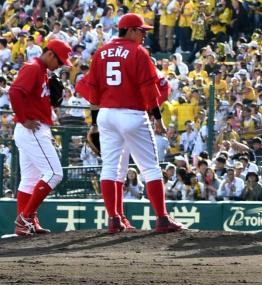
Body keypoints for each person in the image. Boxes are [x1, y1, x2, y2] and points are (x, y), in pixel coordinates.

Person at [75, 13, 183, 234]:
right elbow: (149, 91)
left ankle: (114, 219)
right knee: (150, 167)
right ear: (131, 30)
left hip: (106, 114)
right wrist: (158, 119)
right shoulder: (137, 52)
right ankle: (162, 219)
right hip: (132, 114)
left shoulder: (101, 52)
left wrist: (95, 123)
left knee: (110, 168)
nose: (143, 35)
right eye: (141, 31)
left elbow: (93, 92)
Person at [9, 38, 73, 235]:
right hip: (32, 129)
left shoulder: (42, 71)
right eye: (60, 61)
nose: (60, 65)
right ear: (50, 54)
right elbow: (14, 92)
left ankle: (27, 223)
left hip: (32, 129)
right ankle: (25, 217)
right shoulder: (33, 67)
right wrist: (23, 117)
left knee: (30, 179)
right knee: (55, 173)